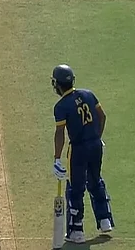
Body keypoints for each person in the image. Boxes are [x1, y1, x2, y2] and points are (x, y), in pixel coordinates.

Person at [51, 64, 115, 244]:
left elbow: (59, 133)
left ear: (57, 84)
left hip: (78, 149)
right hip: (96, 146)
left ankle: (76, 231)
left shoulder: (61, 106)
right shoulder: (88, 94)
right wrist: (97, 137)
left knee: (75, 188)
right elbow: (102, 116)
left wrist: (57, 158)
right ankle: (105, 219)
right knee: (95, 180)